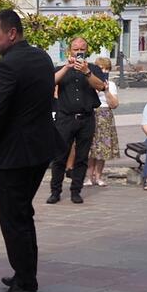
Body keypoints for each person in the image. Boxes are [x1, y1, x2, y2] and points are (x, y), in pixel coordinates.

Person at [0, 9, 57, 292]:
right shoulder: (42, 57)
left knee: (13, 219)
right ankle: (24, 273)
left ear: (12, 33)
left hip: (15, 154)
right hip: (40, 148)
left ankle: (25, 284)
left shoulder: (7, 67)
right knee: (23, 214)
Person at [49, 37, 105, 204]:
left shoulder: (93, 68)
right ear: (70, 51)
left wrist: (87, 72)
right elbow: (50, 82)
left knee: (81, 157)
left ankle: (76, 191)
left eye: (82, 49)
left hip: (86, 118)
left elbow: (101, 86)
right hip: (65, 118)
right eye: (75, 49)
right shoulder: (61, 68)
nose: (79, 51)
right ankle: (55, 191)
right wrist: (67, 66)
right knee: (60, 156)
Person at [86, 56, 119, 188]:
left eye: (107, 69)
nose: (104, 71)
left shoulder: (111, 85)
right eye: (101, 68)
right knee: (90, 148)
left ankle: (99, 176)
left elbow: (114, 104)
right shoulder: (89, 82)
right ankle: (89, 177)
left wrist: (106, 90)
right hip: (91, 113)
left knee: (102, 149)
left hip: (105, 114)